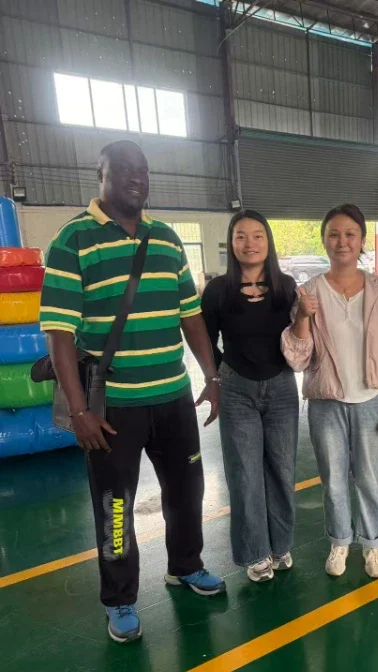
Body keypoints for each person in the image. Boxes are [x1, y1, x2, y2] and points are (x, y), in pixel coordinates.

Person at [39, 140, 226, 644]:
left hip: (173, 397)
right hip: (113, 407)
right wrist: (79, 410)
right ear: (100, 174)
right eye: (123, 169)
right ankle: (119, 598)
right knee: (116, 506)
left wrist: (211, 378)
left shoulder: (166, 239)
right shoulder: (73, 241)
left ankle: (185, 565)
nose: (136, 177)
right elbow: (59, 334)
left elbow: (191, 316)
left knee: (187, 492)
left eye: (142, 170)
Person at [282, 204, 378, 579]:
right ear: (324, 241)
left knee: (370, 477)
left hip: (372, 400)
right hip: (326, 404)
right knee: (333, 479)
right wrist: (302, 317)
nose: (342, 241)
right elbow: (297, 359)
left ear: (361, 241)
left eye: (350, 234)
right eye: (334, 234)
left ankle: (373, 544)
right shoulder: (309, 293)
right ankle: (340, 541)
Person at [201, 210, 298, 583]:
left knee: (282, 469)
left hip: (282, 387)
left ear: (268, 241)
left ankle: (280, 545)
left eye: (258, 235)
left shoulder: (286, 287)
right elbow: (205, 339)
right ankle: (255, 552)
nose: (250, 243)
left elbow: (300, 336)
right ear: (231, 243)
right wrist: (218, 375)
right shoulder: (217, 290)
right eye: (241, 236)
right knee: (244, 473)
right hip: (237, 388)